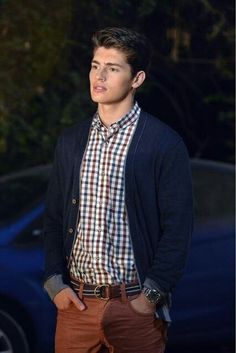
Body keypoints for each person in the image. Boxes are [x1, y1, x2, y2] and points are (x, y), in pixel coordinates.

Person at [43, 27, 193, 353]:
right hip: (76, 307)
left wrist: (148, 299)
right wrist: (55, 285)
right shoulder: (71, 142)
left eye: (113, 68)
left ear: (136, 79)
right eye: (96, 65)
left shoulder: (162, 144)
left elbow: (178, 230)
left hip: (134, 308)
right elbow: (54, 217)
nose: (99, 76)